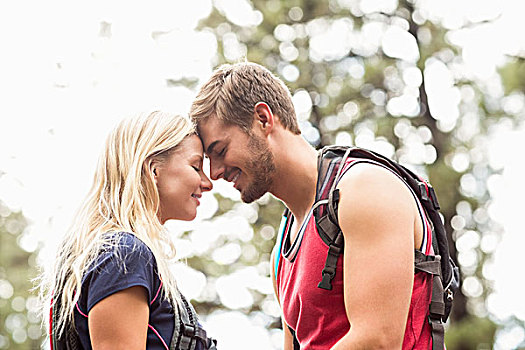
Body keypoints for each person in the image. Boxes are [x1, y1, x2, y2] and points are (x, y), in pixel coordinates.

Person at [190, 62, 434, 349]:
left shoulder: (365, 189)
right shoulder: (281, 251)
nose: (216, 172)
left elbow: (378, 341)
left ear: (263, 118)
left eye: (219, 151)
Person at [38, 111, 217, 349]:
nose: (207, 183)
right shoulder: (124, 255)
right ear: (154, 170)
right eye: (196, 167)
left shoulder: (117, 254)